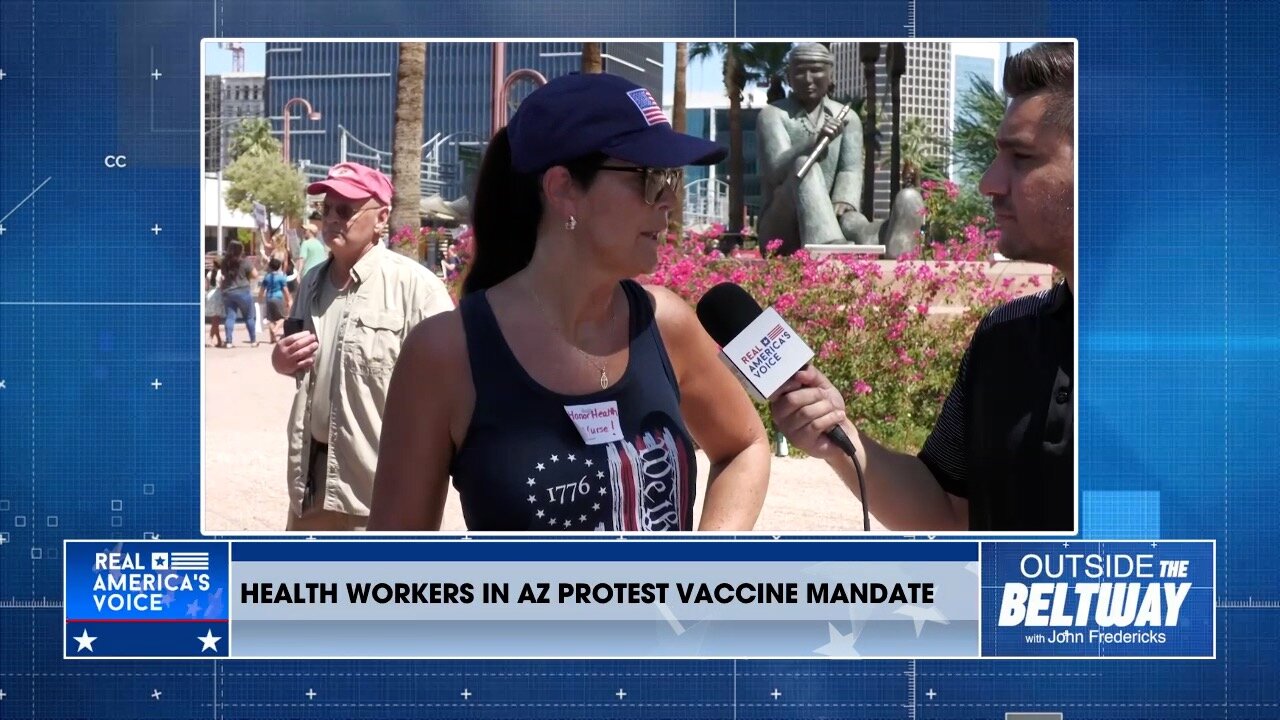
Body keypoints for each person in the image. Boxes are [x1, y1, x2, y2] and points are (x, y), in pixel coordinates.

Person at [369, 72, 771, 532]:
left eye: (673, 179)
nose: (668, 202)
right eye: (649, 177)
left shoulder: (666, 324)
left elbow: (744, 446)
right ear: (562, 188)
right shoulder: (444, 354)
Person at [769, 43, 1075, 532]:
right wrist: (839, 435)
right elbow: (948, 511)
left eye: (1020, 157)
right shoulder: (1006, 336)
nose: (989, 183)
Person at [270, 162, 454, 531]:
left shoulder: (415, 288)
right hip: (314, 483)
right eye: (326, 209)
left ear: (382, 217)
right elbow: (301, 365)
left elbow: (453, 385)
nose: (333, 219)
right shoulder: (311, 283)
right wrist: (281, 359)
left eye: (346, 210)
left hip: (382, 492)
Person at [756, 43, 922, 257]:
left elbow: (850, 169)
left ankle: (885, 238)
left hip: (832, 219)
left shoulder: (847, 117)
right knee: (803, 165)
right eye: (799, 71)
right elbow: (775, 170)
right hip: (782, 229)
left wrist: (845, 200)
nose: (807, 79)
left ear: (830, 75)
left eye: (815, 70)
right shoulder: (772, 114)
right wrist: (812, 143)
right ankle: (829, 244)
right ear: (788, 76)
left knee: (853, 221)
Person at [218, 240, 257, 348]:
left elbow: (223, 275)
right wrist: (246, 276)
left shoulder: (224, 262)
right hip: (243, 291)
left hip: (228, 292)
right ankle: (253, 341)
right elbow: (255, 275)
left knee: (230, 317)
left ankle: (229, 341)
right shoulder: (245, 261)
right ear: (240, 250)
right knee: (249, 317)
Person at [259, 257, 291, 343]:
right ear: (279, 266)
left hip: (269, 298)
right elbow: (285, 290)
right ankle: (276, 329)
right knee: (283, 317)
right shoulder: (281, 278)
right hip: (278, 298)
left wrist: (260, 300)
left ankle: (272, 339)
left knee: (270, 319)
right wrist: (288, 300)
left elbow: (262, 290)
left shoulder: (267, 277)